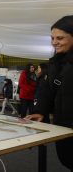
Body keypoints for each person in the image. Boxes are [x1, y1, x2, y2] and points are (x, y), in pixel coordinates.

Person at [25, 15, 73, 171]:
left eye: (60, 38)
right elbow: (46, 90)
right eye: (52, 38)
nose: (54, 42)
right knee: (67, 160)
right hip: (63, 127)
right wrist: (40, 111)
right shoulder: (55, 63)